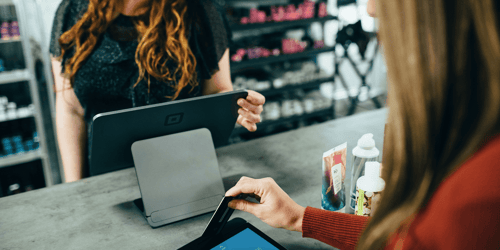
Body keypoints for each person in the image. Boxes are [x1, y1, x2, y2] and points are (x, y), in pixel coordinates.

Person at [225, 0, 500, 249]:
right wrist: (299, 217)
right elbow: (404, 238)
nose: (370, 8)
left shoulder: (476, 198)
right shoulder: (465, 145)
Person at [49, 0, 265, 182]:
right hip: (103, 177)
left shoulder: (200, 10)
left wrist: (235, 107)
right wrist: (74, 186)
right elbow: (70, 109)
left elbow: (217, 91)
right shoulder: (73, 10)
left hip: (183, 172)